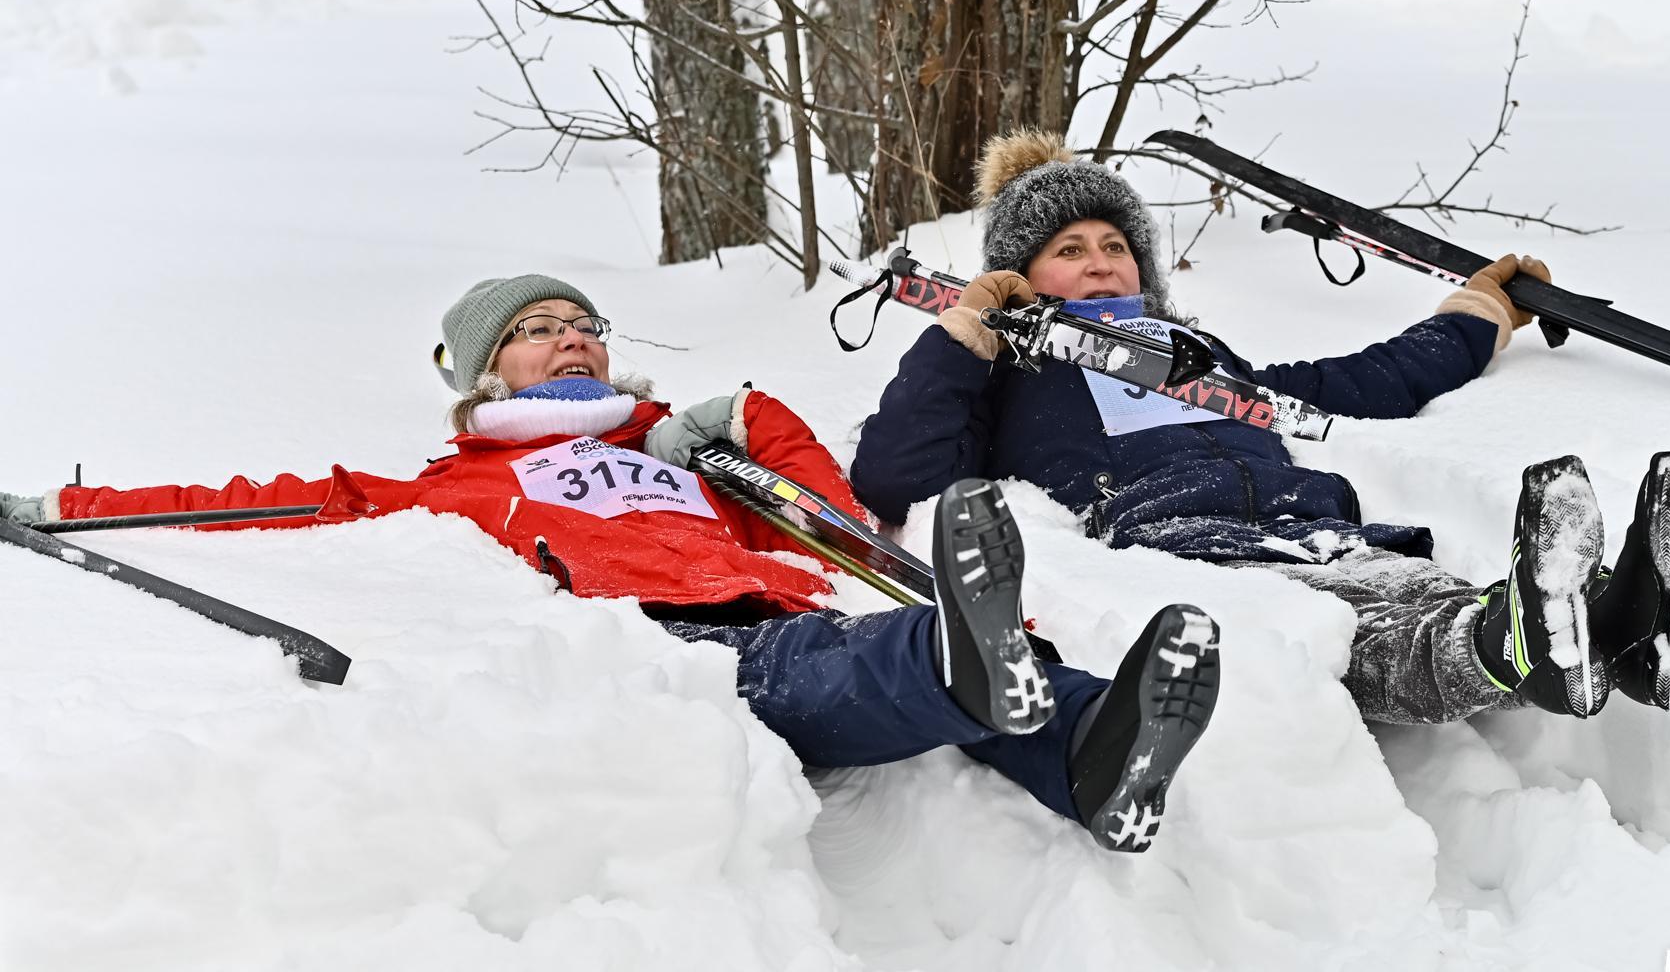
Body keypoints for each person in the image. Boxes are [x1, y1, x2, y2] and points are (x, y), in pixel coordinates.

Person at [0, 274, 1222, 855]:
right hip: (668, 646)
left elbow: (829, 517)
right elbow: (257, 508)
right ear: (488, 372)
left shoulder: (690, 457)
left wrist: (742, 419)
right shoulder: (455, 482)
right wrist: (61, 506)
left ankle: (1097, 758)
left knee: (971, 678)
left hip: (765, 594)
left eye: (583, 324)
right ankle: (971, 660)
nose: (571, 337)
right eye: (536, 332)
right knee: (853, 662)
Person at [850, 131, 1670, 726]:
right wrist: (966, 333)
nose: (1098, 262)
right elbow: (898, 472)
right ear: (1022, 277)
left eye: (1114, 245)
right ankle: (1524, 643)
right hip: (1185, 539)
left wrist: (1480, 310)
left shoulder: (1197, 357)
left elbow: (1359, 383)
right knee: (1352, 632)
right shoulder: (1006, 376)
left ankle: (1621, 625)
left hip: (1313, 519)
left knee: (1414, 589)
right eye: (1068, 250)